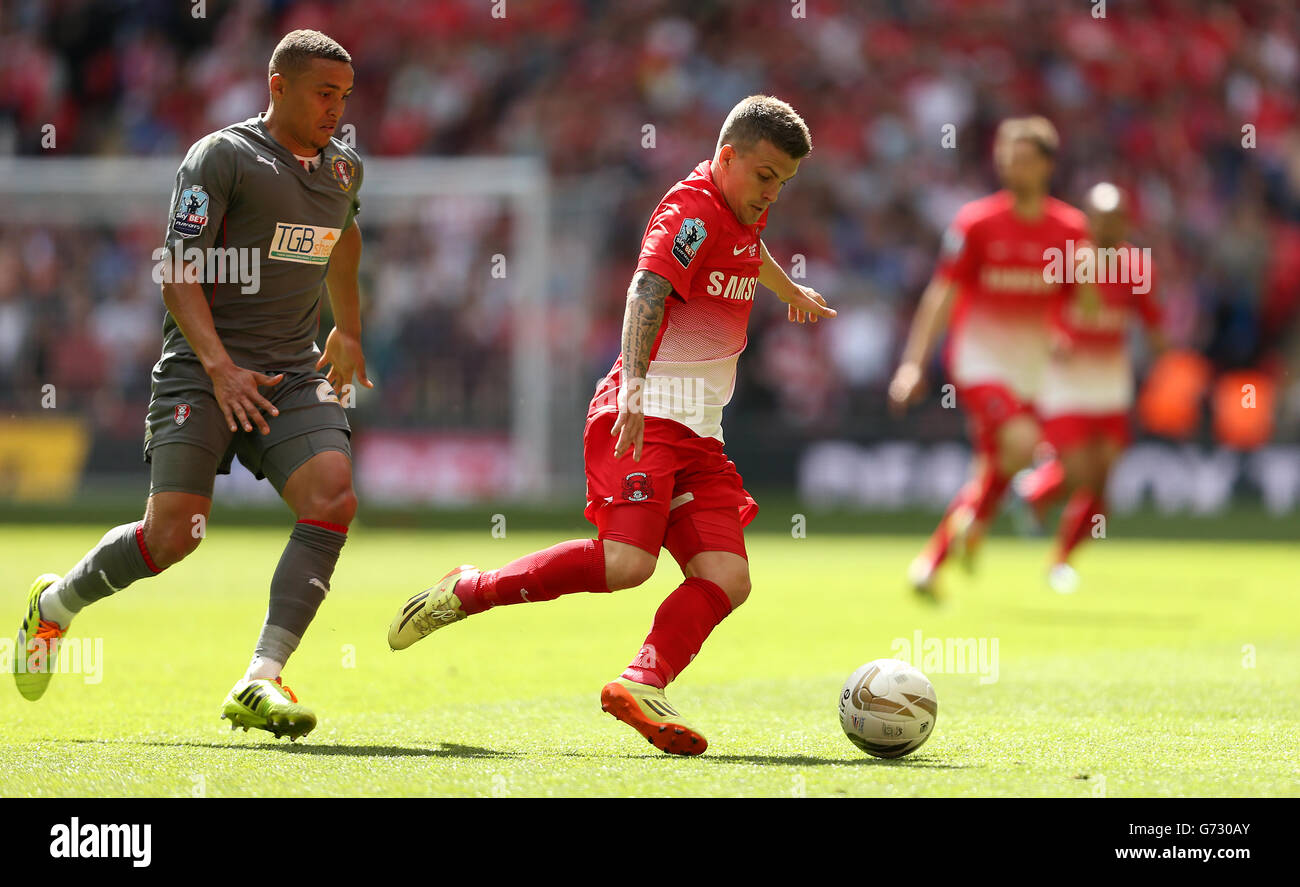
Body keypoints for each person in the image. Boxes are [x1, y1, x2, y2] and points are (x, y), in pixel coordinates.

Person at [388, 95, 835, 756]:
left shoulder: (740, 213)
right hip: (647, 412)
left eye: (785, 183)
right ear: (728, 156)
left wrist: (787, 290)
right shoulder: (689, 211)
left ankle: (642, 682)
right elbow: (646, 289)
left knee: (728, 577)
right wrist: (633, 386)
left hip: (700, 432)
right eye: (766, 175)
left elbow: (750, 250)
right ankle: (469, 590)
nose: (772, 193)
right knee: (629, 562)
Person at [14, 30, 370, 741]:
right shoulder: (223, 157)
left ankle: (260, 676)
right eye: (323, 93)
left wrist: (349, 327)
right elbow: (177, 271)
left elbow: (345, 237)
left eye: (345, 96)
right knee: (173, 536)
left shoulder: (343, 173)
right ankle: (55, 605)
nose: (337, 109)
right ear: (278, 86)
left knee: (332, 494)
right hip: (202, 371)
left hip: (291, 371)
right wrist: (219, 367)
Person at [888, 116, 1090, 600]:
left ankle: (939, 557)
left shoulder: (1070, 229)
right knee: (1020, 446)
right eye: (1005, 156)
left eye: (1022, 157)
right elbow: (943, 293)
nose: (1011, 165)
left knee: (993, 469)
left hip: (1036, 370)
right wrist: (914, 362)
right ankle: (995, 515)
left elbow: (1078, 302)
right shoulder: (975, 223)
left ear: (1046, 165)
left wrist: (1068, 338)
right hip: (978, 361)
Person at [1014, 182, 1164, 592]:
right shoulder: (1065, 262)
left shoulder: (1136, 265)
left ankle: (1059, 554)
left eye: (1115, 219)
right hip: (1066, 384)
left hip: (1112, 385)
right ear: (1087, 220)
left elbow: (1151, 319)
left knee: (1100, 487)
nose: (1106, 226)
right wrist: (1051, 339)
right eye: (1099, 218)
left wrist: (1163, 354)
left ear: (1126, 222)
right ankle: (1039, 489)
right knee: (1082, 473)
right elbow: (1033, 309)